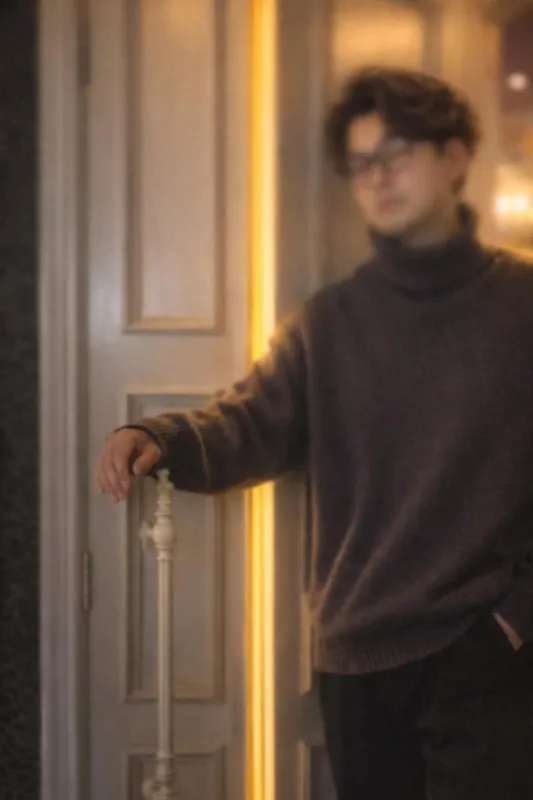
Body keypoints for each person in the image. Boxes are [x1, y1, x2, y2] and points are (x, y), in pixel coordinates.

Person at [95, 67, 533, 799]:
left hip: (484, 654)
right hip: (354, 658)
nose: (378, 177)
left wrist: (515, 620)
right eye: (361, 163)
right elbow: (249, 421)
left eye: (397, 153)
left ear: (455, 157)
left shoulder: (521, 306)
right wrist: (159, 436)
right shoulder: (329, 321)